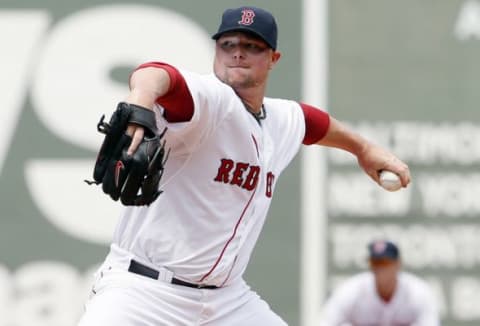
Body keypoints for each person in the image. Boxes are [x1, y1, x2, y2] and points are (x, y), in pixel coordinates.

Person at [78, 6, 411, 326]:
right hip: (144, 291)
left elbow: (312, 122)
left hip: (225, 302)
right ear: (216, 50)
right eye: (228, 44)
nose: (238, 53)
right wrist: (140, 101)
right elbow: (156, 73)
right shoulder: (212, 100)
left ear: (273, 59)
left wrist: (363, 148)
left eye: (251, 46)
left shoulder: (281, 119)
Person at [321, 240, 439, 326]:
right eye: (375, 263)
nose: (380, 268)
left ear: (398, 264)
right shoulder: (352, 291)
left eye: (384, 263)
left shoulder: (417, 292)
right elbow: (325, 322)